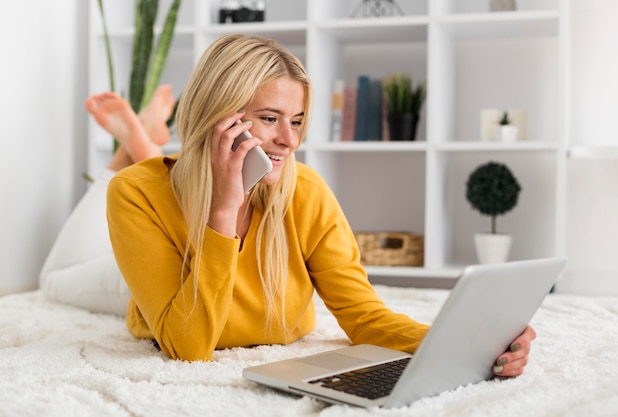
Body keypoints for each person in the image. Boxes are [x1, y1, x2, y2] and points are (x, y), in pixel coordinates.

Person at [106, 33, 536, 374]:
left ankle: (141, 137)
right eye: (270, 118)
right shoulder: (134, 194)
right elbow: (188, 347)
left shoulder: (306, 191)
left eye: (296, 122)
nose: (289, 141)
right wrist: (223, 211)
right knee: (61, 280)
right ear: (219, 117)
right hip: (130, 282)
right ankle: (140, 141)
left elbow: (365, 317)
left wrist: (471, 343)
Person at [39, 85, 175, 316]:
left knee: (57, 278)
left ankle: (141, 150)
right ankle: (141, 151)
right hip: (173, 275)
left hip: (169, 277)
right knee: (62, 275)